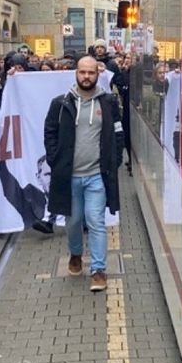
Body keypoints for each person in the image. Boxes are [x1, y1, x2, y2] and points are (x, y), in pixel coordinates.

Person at [44, 56, 123, 292]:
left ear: (98, 74)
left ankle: (98, 270)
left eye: (90, 72)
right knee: (74, 221)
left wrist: (115, 161)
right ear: (75, 73)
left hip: (97, 174)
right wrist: (55, 160)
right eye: (82, 72)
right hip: (69, 177)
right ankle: (76, 254)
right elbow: (50, 133)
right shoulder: (60, 104)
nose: (86, 76)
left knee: (96, 221)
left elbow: (118, 133)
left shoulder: (108, 103)